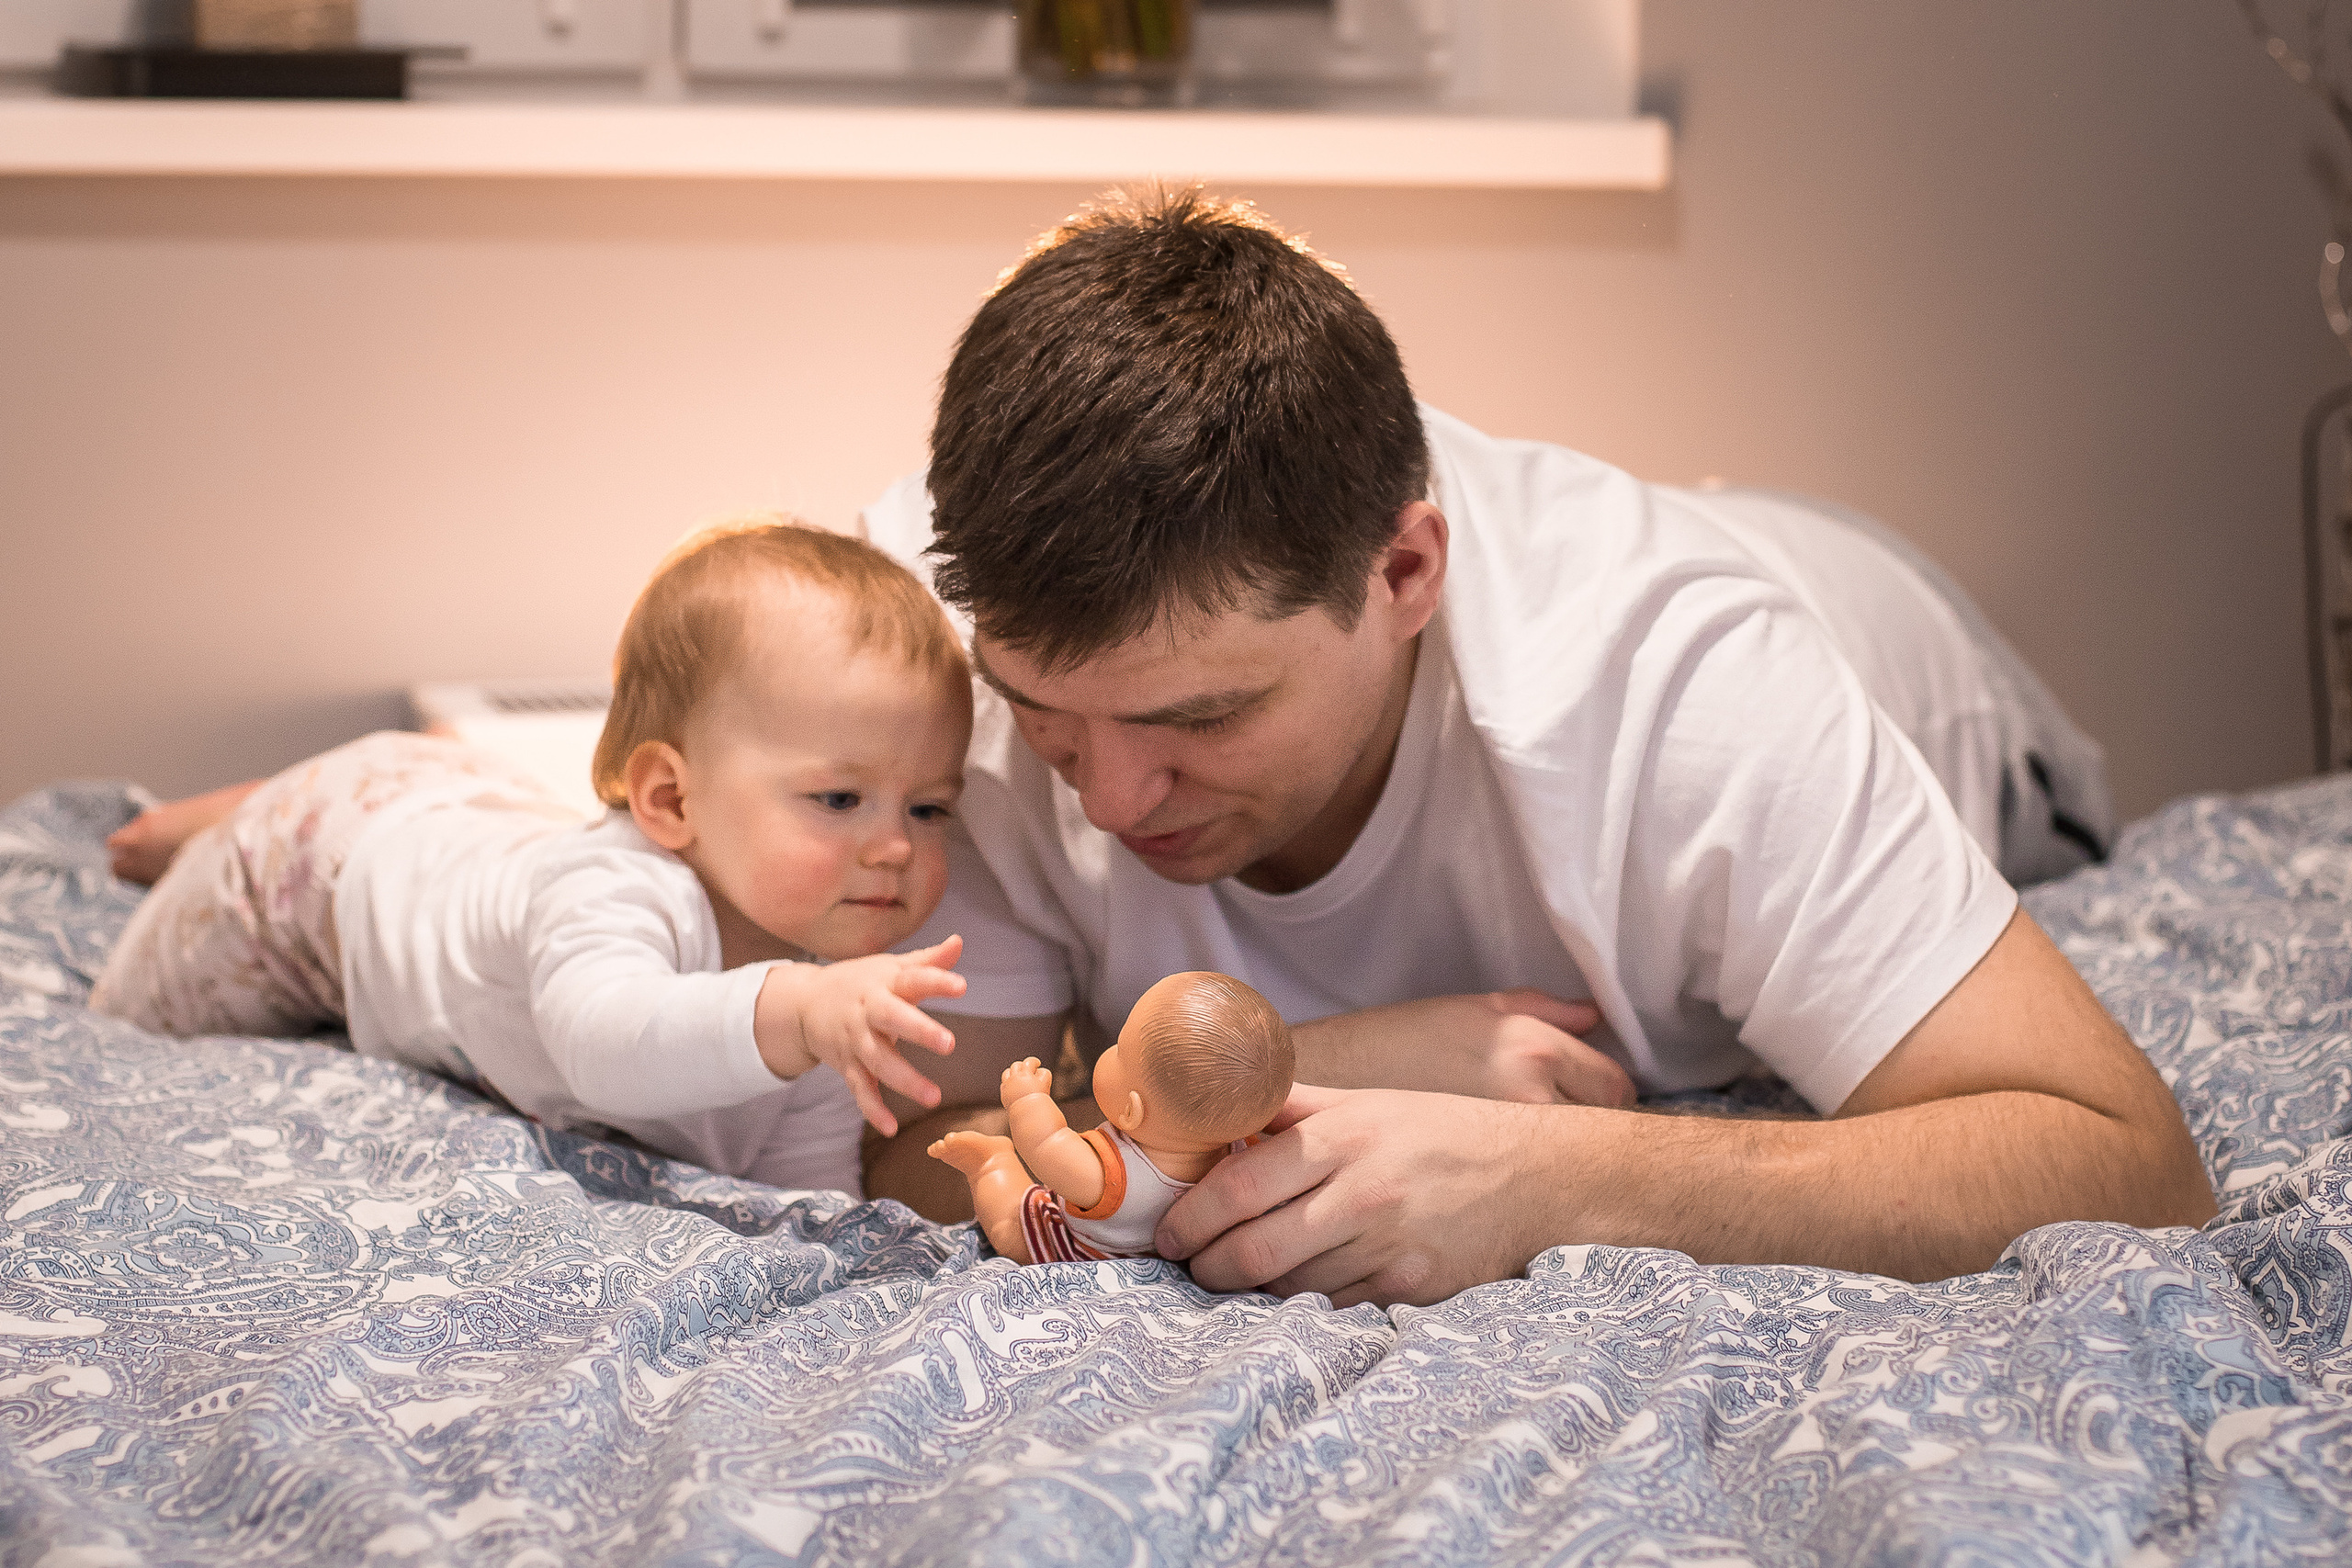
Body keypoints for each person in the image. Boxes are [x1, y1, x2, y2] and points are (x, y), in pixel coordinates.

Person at [858, 186, 2217, 1304]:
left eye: (1200, 719)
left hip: (1916, 659)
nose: (1101, 794)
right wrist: (1351, 1057)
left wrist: (1550, 1174)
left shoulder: (1682, 691)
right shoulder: (960, 657)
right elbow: (923, 1145)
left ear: (1402, 575)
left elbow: (2129, 1161)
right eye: (1045, 715)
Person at [90, 520, 975, 1193]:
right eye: (839, 799)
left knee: (500, 813)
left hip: (471, 813)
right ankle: (211, 824)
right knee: (128, 1015)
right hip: (325, 866)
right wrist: (799, 1009)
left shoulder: (825, 970)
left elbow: (806, 1171)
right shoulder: (613, 889)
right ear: (670, 800)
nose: (896, 846)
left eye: (930, 806)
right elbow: (604, 1042)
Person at [931, 970, 1293, 1264]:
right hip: (1173, 1269)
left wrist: (1025, 1099)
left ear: (1131, 1112)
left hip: (1074, 1252)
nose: (1110, 1049)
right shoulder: (1241, 1155)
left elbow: (1046, 1144)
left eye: (1119, 1047)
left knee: (1012, 1226)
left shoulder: (1111, 1176)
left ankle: (991, 1164)